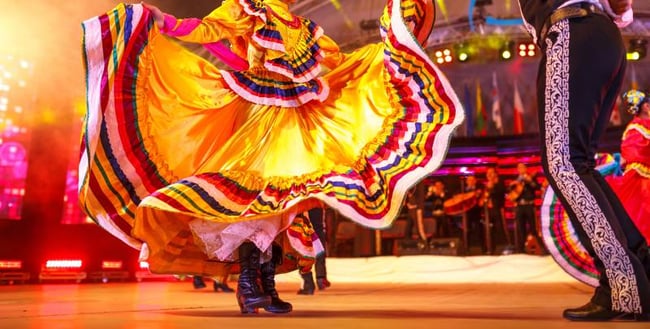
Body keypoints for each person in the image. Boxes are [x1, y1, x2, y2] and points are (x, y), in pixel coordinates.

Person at [80, 0, 463, 314]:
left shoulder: (302, 26)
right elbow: (208, 30)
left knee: (283, 202)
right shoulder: (247, 7)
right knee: (253, 194)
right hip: (255, 113)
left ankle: (263, 281)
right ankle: (249, 283)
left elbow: (336, 66)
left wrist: (389, 43)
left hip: (293, 116)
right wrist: (165, 23)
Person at [518, 0, 650, 321]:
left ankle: (623, 283)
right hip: (602, 35)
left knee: (563, 164)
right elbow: (620, 6)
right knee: (578, 163)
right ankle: (642, 268)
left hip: (570, 30)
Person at [607, 90, 650, 244]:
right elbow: (634, 153)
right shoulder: (635, 128)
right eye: (647, 104)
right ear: (644, 107)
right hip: (641, 176)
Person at [297, 207, 331, 295]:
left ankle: (308, 282)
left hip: (303, 200)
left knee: (302, 241)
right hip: (315, 200)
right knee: (317, 231)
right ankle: (320, 277)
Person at [508, 163, 540, 254]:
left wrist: (530, 181)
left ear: (526, 168)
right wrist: (512, 185)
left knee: (533, 227)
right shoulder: (516, 179)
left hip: (529, 205)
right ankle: (521, 249)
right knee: (520, 228)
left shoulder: (531, 177)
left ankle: (535, 247)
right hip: (519, 206)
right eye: (519, 168)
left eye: (522, 167)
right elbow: (510, 193)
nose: (521, 169)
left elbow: (537, 187)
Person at [483, 167, 509, 254]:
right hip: (488, 210)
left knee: (500, 227)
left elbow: (502, 192)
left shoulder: (499, 183)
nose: (489, 175)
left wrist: (493, 186)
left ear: (495, 174)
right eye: (488, 173)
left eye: (491, 173)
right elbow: (485, 196)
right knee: (490, 229)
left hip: (498, 208)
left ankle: (505, 246)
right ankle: (491, 248)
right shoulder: (487, 184)